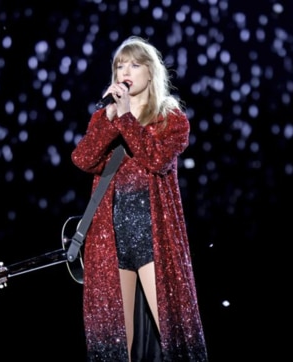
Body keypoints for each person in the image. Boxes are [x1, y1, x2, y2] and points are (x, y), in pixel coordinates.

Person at [71, 36, 208, 362]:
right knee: (115, 344)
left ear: (151, 72)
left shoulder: (170, 119)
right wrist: (108, 120)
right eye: (120, 64)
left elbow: (155, 159)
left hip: (153, 237)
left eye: (134, 63)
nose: (125, 70)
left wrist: (126, 119)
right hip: (111, 240)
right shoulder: (107, 119)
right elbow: (84, 159)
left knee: (174, 334)